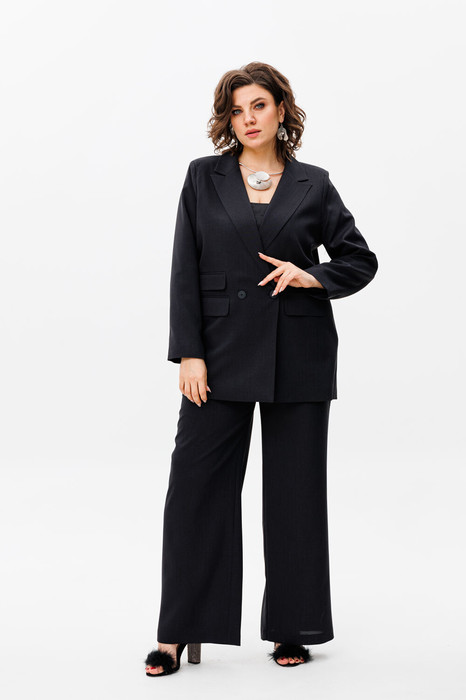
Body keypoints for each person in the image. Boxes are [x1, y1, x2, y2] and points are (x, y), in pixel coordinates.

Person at [144, 61, 378, 677]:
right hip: (216, 357)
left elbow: (360, 260)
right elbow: (184, 268)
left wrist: (311, 275)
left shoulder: (314, 184)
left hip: (299, 354)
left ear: (280, 110)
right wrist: (189, 352)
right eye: (236, 110)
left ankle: (294, 626)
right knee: (195, 491)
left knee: (295, 496)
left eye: (259, 106)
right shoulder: (203, 176)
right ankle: (179, 629)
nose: (248, 119)